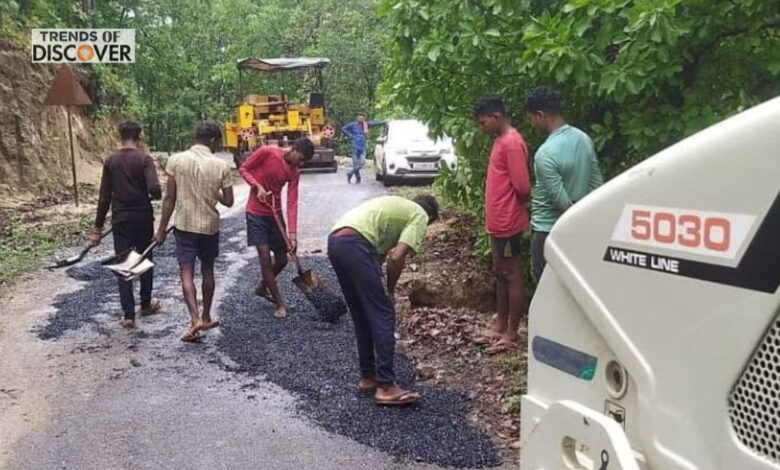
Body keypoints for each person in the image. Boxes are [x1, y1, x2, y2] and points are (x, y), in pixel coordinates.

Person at [328, 194, 439, 405]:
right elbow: (396, 257)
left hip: (336, 242)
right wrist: (389, 290)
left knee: (362, 314)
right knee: (383, 314)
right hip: (355, 244)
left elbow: (376, 259)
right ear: (430, 216)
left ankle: (368, 377)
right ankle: (386, 386)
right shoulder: (420, 215)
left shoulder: (397, 207)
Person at [154, 121, 234, 342]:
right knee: (207, 270)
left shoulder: (176, 160)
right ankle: (206, 315)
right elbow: (228, 201)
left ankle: (194, 319)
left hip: (184, 225)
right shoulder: (221, 165)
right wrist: (213, 192)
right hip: (209, 226)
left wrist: (161, 229)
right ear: (212, 140)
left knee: (186, 273)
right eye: (217, 141)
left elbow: (170, 198)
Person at [525, 86, 603, 282]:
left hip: (547, 231)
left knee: (544, 288)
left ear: (540, 115)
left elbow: (561, 203)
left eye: (531, 118)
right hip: (579, 229)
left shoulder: (545, 154)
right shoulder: (584, 139)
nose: (532, 124)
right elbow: (597, 187)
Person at [473, 95, 531, 354]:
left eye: (483, 121)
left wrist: (511, 210)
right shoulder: (500, 141)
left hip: (508, 222)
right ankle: (500, 324)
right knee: (500, 272)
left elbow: (522, 187)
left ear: (496, 116)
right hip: (497, 221)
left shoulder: (512, 143)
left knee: (511, 273)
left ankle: (511, 332)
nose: (481, 127)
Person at [91, 120, 162, 329]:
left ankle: (129, 315)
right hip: (142, 217)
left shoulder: (110, 160)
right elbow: (155, 189)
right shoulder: (144, 159)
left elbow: (104, 197)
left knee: (124, 264)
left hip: (121, 219)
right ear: (138, 137)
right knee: (144, 258)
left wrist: (97, 228)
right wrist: (152, 194)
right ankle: (146, 304)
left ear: (119, 136)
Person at [238, 139, 314, 318]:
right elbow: (244, 169)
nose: (300, 164)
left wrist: (292, 235)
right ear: (293, 150)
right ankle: (279, 303)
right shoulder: (268, 152)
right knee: (264, 257)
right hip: (255, 212)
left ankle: (262, 286)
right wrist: (257, 187)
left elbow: (292, 202)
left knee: (282, 260)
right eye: (300, 159)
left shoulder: (294, 172)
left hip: (275, 214)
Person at [341, 113, 385, 184]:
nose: (360, 119)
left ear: (364, 119)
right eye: (359, 118)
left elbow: (376, 123)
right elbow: (343, 128)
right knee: (356, 163)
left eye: (362, 118)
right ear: (357, 118)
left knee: (362, 162)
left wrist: (385, 122)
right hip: (354, 145)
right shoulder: (353, 125)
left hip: (363, 146)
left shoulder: (366, 124)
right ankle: (358, 178)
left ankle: (350, 173)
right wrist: (350, 135)